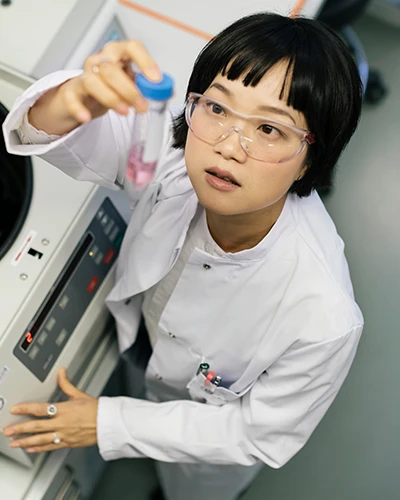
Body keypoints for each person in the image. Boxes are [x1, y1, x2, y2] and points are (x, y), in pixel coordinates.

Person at [2, 12, 363, 500]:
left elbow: (256, 434)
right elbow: (45, 133)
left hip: (208, 459)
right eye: (217, 108)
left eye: (270, 130)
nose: (229, 146)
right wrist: (74, 97)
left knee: (190, 489)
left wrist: (110, 424)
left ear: (311, 159)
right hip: (145, 349)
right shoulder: (172, 159)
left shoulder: (324, 316)